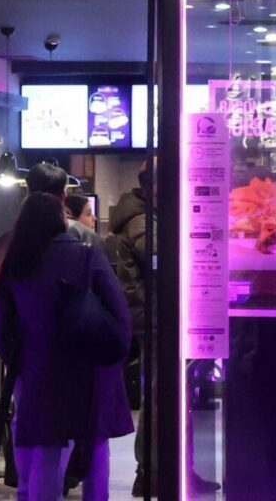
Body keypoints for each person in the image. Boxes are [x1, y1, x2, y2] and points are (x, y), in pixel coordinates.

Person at [0, 192, 133, 501]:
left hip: (40, 367)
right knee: (95, 443)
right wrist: (116, 355)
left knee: (47, 448)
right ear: (61, 218)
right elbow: (119, 313)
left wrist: (21, 364)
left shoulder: (15, 263)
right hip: (89, 364)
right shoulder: (86, 254)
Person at [104, 163, 152, 494]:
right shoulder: (141, 222)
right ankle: (150, 469)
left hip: (141, 316)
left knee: (159, 394)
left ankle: (153, 466)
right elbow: (160, 259)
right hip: (153, 317)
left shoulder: (138, 215)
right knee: (162, 396)